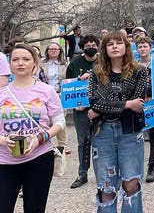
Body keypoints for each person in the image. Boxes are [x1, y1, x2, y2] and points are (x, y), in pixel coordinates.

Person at [0, 43, 65, 213]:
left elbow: (59, 122)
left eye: (26, 59)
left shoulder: (47, 90)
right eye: (15, 59)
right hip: (4, 161)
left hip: (39, 158)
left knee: (35, 209)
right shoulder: (2, 93)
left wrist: (39, 139)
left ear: (34, 63)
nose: (20, 63)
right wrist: (4, 140)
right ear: (9, 64)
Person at [87, 32, 148, 212]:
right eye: (110, 44)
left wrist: (101, 109)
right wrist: (127, 103)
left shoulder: (139, 71)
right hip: (103, 133)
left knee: (131, 185)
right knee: (107, 187)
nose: (114, 46)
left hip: (130, 132)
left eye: (118, 43)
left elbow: (139, 103)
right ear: (104, 49)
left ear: (126, 47)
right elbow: (94, 102)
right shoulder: (96, 73)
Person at [67, 34, 101, 189]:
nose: (90, 47)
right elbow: (69, 88)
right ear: (82, 47)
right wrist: (74, 104)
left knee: (101, 141)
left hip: (101, 108)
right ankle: (82, 173)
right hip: (81, 110)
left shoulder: (103, 62)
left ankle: (103, 173)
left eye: (93, 44)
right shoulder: (74, 64)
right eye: (87, 45)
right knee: (83, 142)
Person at [135, 37, 154, 183]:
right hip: (138, 104)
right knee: (136, 136)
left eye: (145, 46)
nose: (143, 49)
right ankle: (134, 168)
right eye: (140, 47)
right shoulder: (133, 66)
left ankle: (152, 167)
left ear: (150, 48)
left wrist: (151, 96)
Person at [42, 42, 70, 154]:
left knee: (60, 119)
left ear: (60, 51)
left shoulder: (65, 64)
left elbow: (69, 79)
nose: (53, 51)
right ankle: (44, 144)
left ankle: (63, 145)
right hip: (45, 94)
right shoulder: (41, 64)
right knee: (44, 119)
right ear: (47, 51)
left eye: (56, 49)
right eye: (51, 49)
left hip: (60, 94)